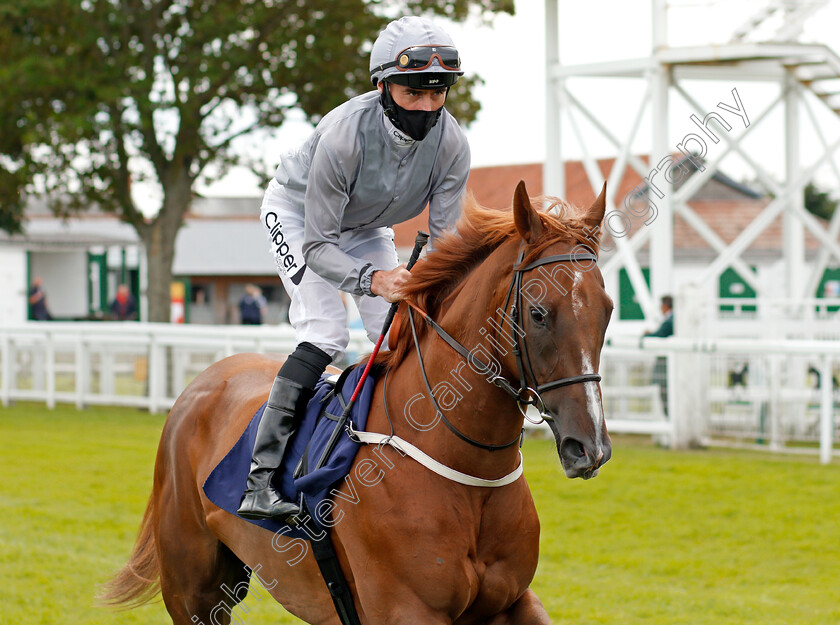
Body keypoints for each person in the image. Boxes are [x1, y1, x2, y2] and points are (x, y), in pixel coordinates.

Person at [239, 15, 470, 521]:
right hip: (301, 217)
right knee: (326, 332)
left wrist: (422, 284)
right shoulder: (344, 136)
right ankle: (261, 477)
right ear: (384, 86)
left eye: (439, 94)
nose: (428, 107)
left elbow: (445, 243)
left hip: (365, 226)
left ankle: (399, 455)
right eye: (415, 93)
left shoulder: (452, 143)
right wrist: (374, 279)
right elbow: (321, 246)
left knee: (401, 330)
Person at [643, 295, 674, 416]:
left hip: (666, 361)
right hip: (669, 360)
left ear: (665, 306)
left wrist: (646, 336)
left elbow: (661, 334)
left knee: (664, 391)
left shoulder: (669, 321)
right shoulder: (672, 319)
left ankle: (669, 417)